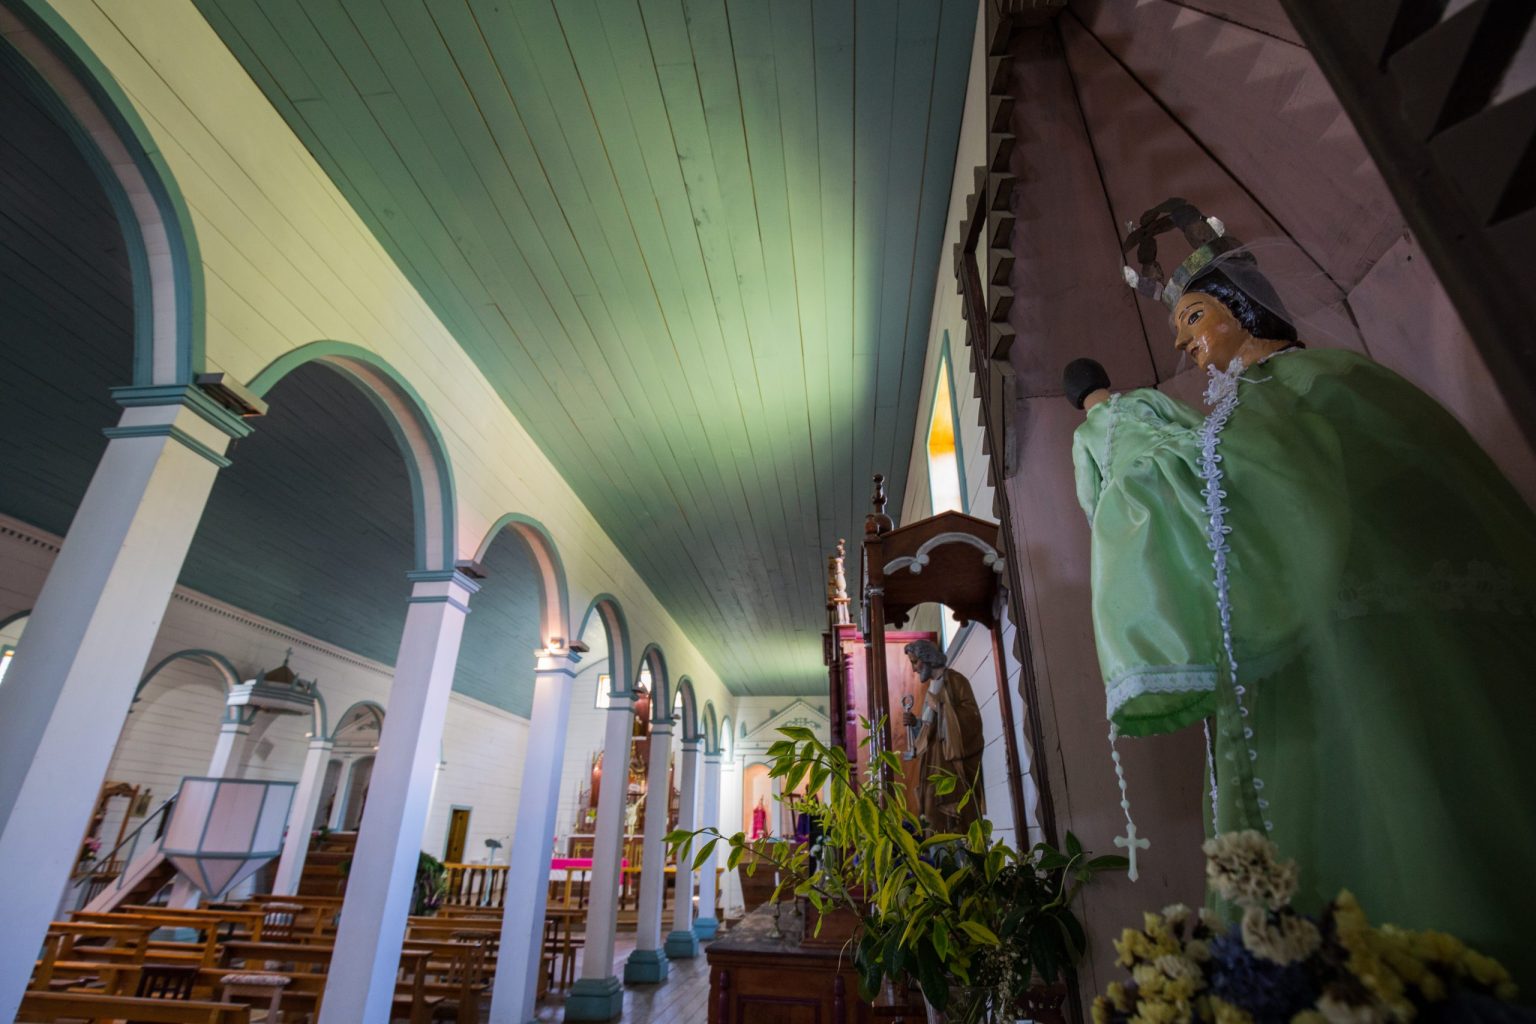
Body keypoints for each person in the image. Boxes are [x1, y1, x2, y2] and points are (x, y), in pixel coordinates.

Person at [1070, 199, 1536, 989]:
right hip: (1434, 662)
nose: (1182, 341)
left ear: (1245, 310)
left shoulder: (1276, 400)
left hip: (1348, 678)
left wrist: (1116, 422)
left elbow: (1215, 524)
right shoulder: (1356, 382)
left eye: (1194, 316)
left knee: (1391, 870)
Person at [901, 639, 986, 833]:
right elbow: (930, 730)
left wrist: (940, 707)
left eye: (915, 662)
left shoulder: (955, 681)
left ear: (927, 658)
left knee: (957, 822)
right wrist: (916, 724)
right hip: (932, 766)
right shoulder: (932, 687)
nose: (914, 669)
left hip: (952, 766)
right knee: (932, 818)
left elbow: (972, 720)